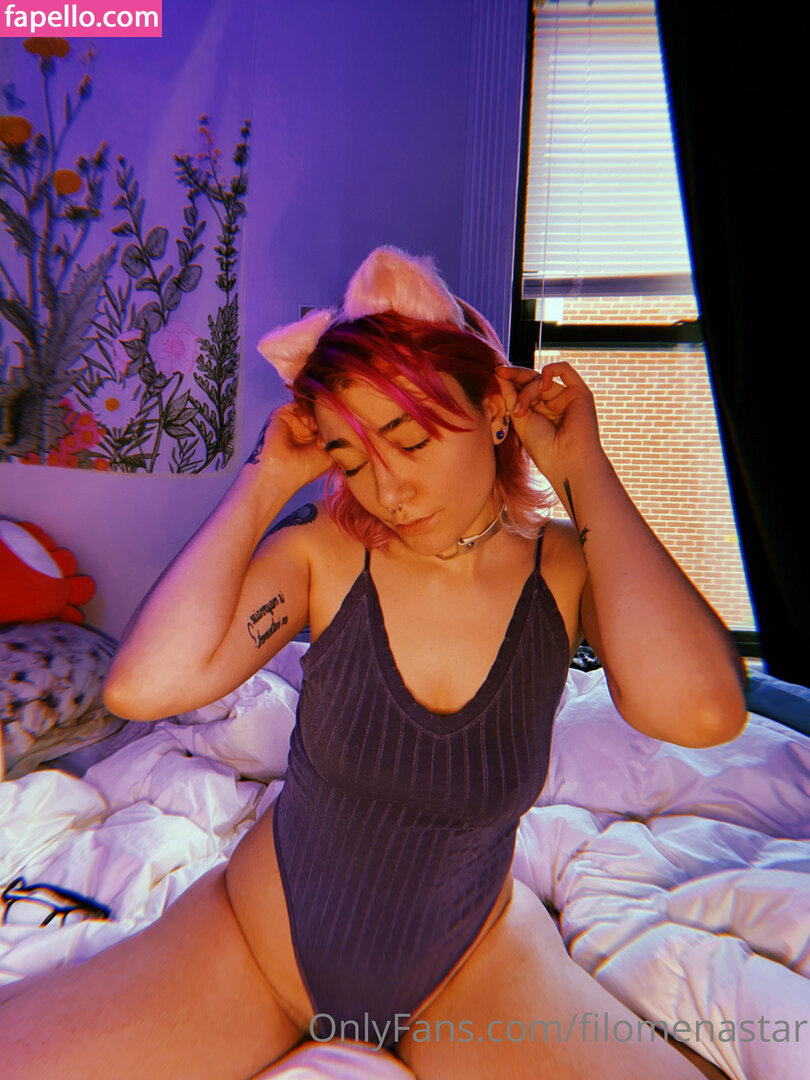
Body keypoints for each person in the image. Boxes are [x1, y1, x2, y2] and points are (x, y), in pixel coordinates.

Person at [0, 247, 744, 1079]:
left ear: (494, 407)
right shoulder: (322, 555)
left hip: (467, 971)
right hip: (257, 949)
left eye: (410, 439)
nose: (388, 491)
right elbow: (144, 687)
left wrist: (584, 470)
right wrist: (266, 480)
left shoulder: (564, 569)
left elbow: (701, 710)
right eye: (352, 458)